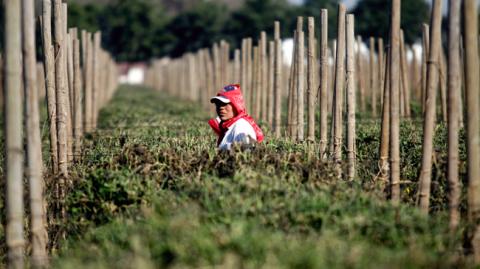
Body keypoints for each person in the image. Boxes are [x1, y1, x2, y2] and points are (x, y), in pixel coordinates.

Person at [208, 84, 264, 150]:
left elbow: (246, 153)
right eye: (218, 104)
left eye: (224, 104)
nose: (221, 108)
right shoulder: (228, 126)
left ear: (236, 105)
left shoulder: (241, 127)